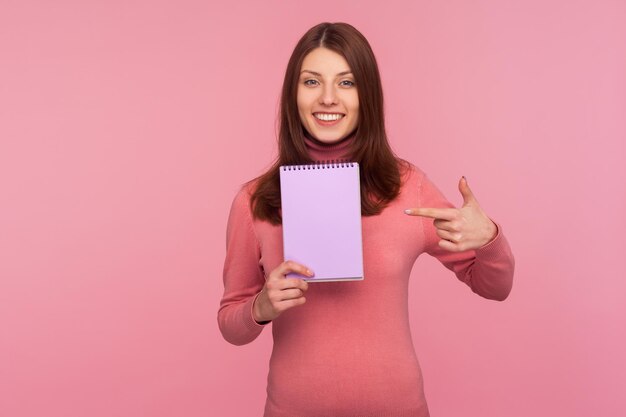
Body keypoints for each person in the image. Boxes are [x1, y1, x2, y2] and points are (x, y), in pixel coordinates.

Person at [218, 22, 515, 417]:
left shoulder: (407, 186)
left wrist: (489, 238)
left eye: (346, 83)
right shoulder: (255, 200)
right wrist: (260, 307)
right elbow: (230, 323)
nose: (327, 98)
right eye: (311, 82)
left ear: (367, 95)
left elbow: (495, 287)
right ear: (293, 94)